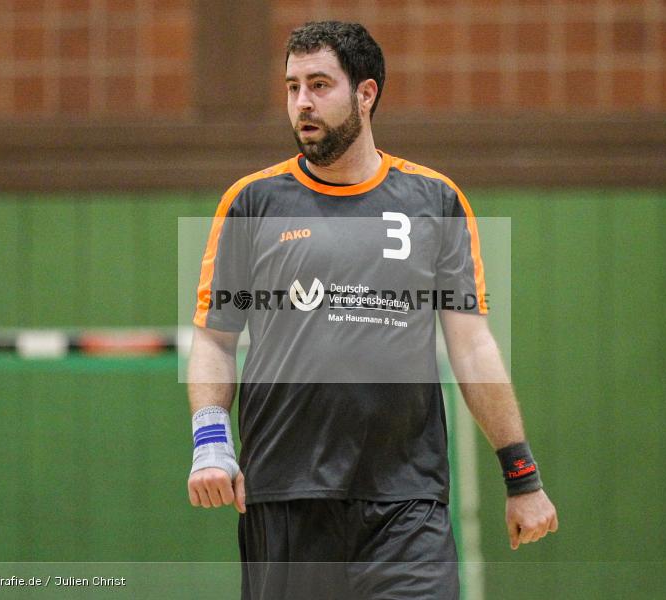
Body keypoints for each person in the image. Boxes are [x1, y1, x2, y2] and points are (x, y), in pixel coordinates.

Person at [186, 20, 558, 600]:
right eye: (291, 87)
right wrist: (210, 438)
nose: (302, 103)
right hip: (286, 494)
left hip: (407, 503)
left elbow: (472, 344)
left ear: (366, 93)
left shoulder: (434, 200)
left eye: (319, 84)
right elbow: (214, 339)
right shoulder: (252, 202)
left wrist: (522, 475)